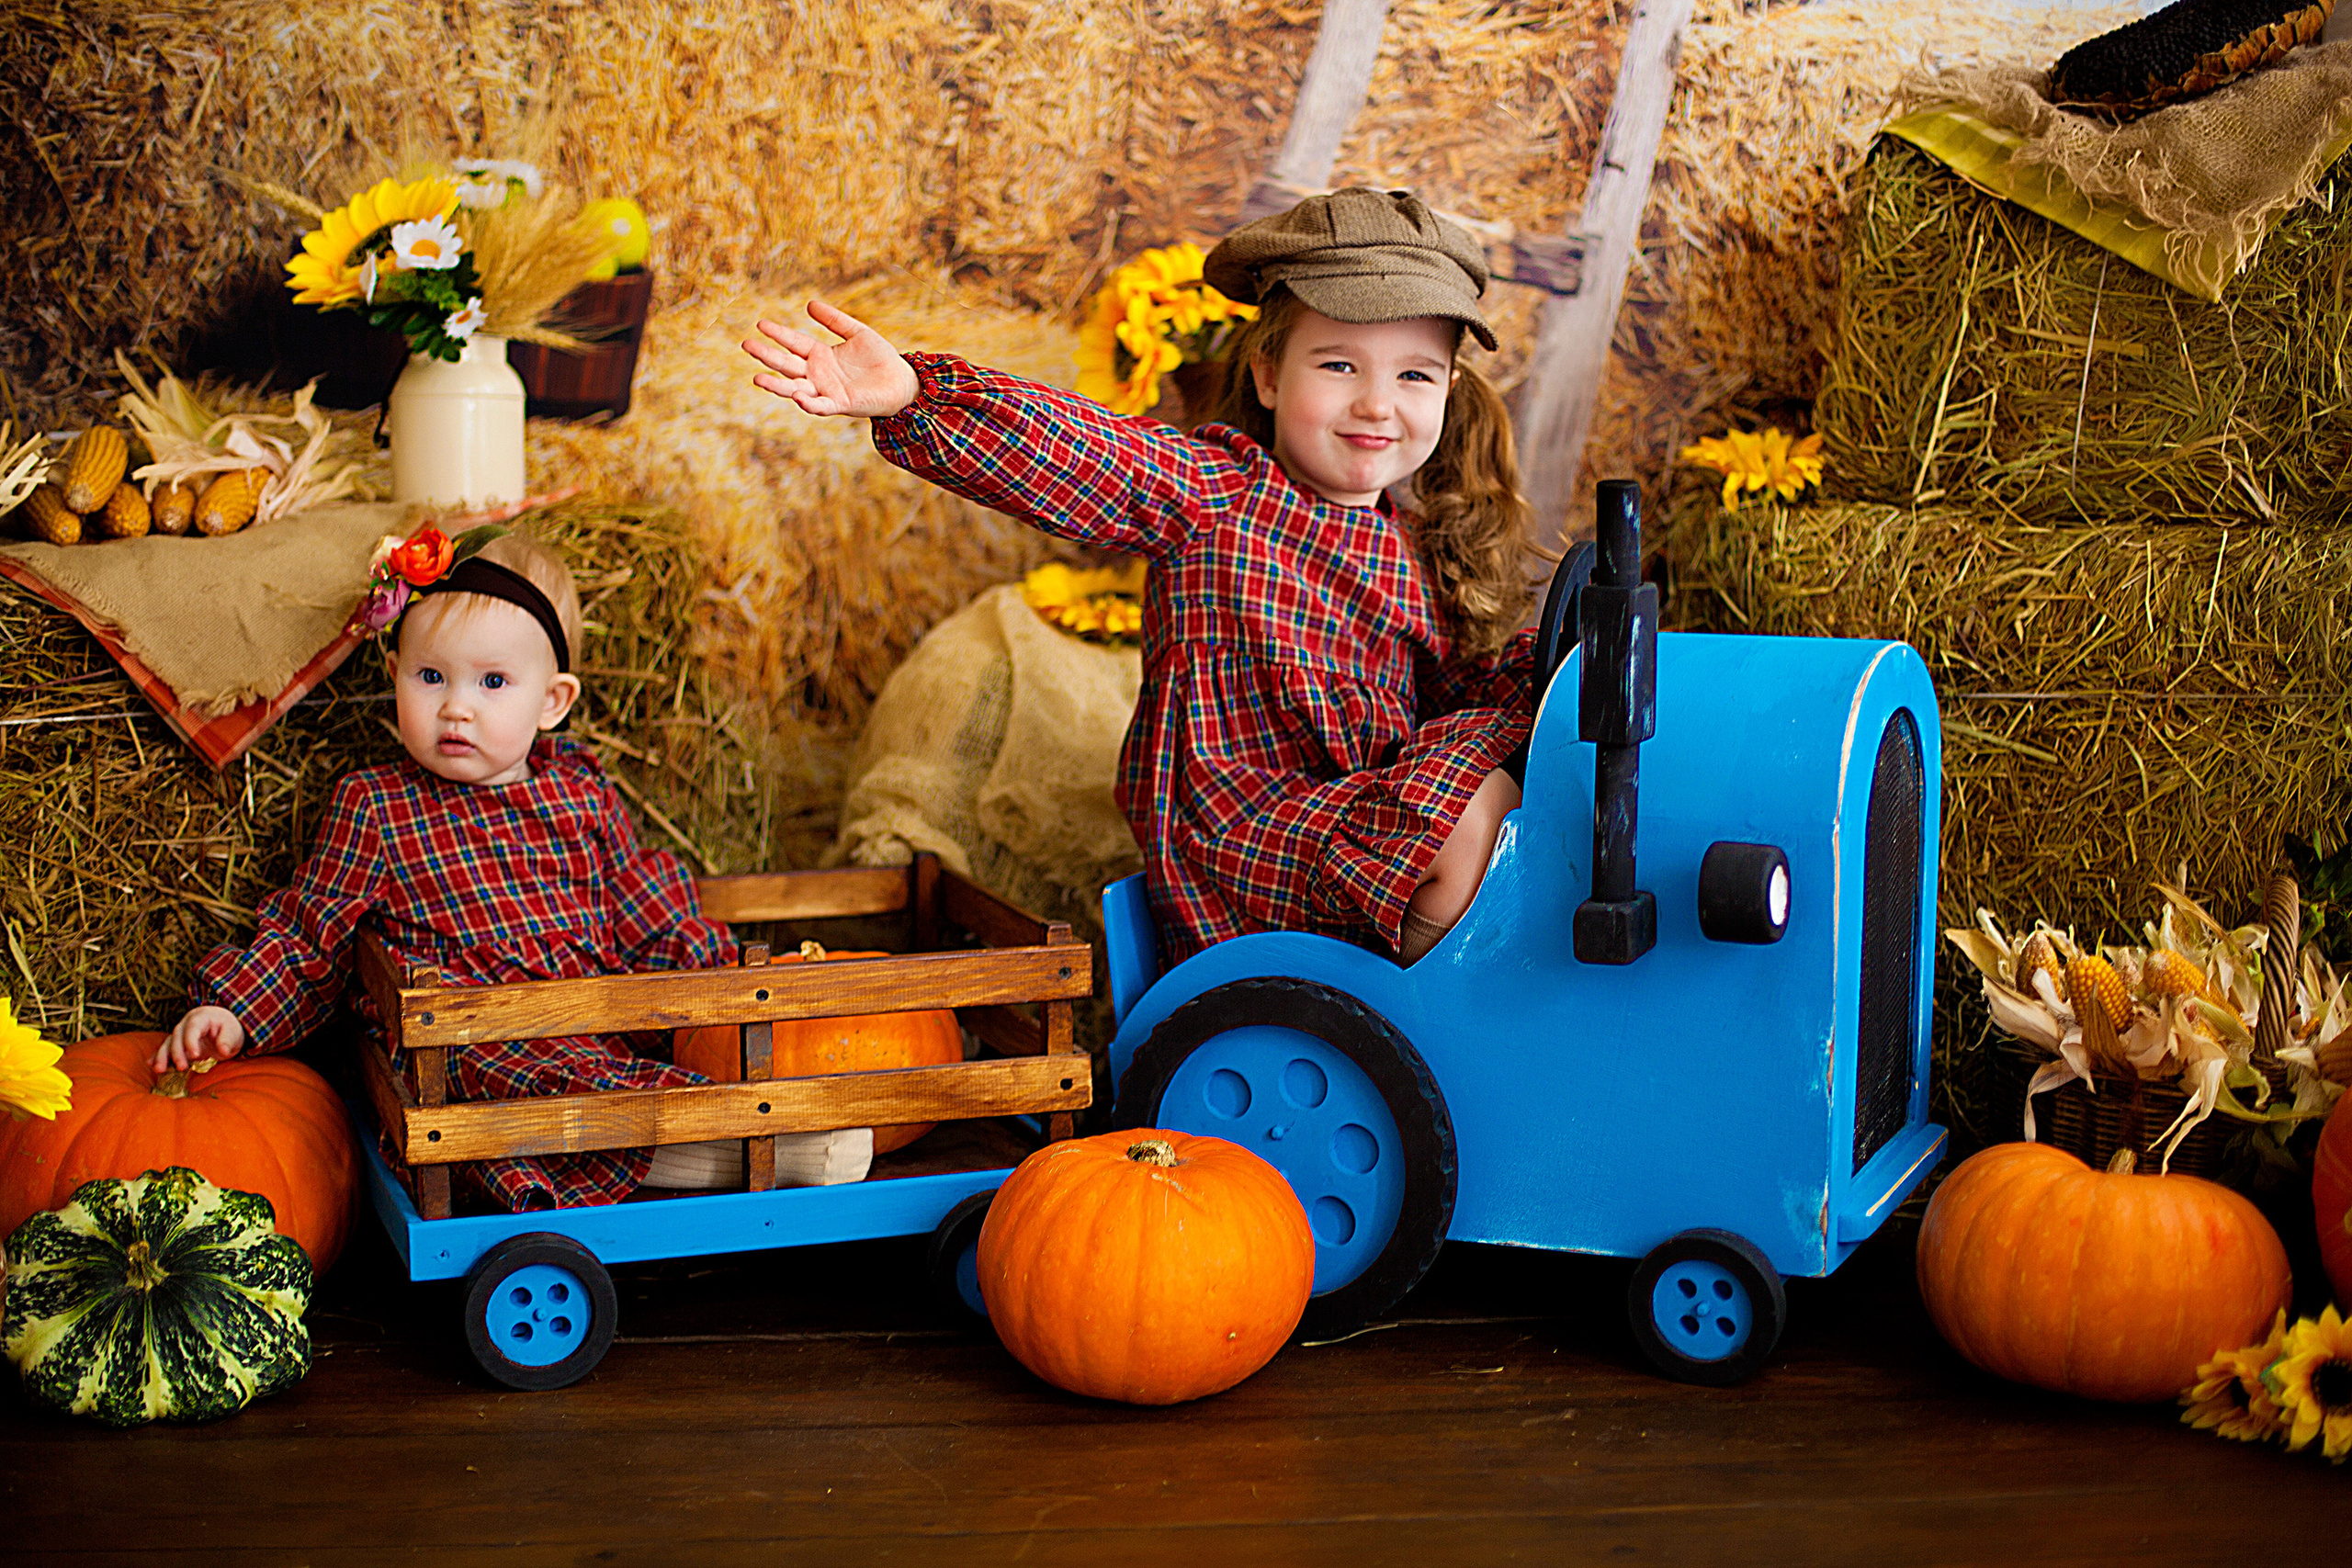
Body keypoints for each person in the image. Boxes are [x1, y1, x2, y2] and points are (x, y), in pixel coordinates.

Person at [744, 187, 1537, 965]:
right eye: (1338, 364)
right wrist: (920, 396)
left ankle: (1439, 1006)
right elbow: (1086, 452)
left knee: (1511, 792)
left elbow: (1442, 703)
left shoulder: (1411, 547)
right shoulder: (1215, 494)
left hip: (1353, 827)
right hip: (1244, 845)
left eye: (1415, 377)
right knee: (1465, 815)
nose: (1376, 404)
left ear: (1449, 392)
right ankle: (1420, 1018)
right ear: (1267, 374)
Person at [156, 530, 870, 1211]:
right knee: (518, 1093)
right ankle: (757, 1154)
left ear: (551, 701)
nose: (456, 707)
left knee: (634, 1075)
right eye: (430, 675)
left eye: (493, 681)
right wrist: (235, 1008)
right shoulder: (376, 806)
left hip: (593, 1023)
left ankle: (732, 1130)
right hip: (472, 1040)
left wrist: (722, 977)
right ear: (397, 672)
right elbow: (309, 937)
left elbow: (642, 902)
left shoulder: (580, 790)